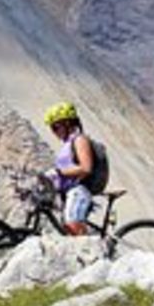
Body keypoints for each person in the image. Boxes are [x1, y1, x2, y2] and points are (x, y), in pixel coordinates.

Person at [43, 101, 94, 236]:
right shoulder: (69, 142)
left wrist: (59, 173)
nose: (53, 132)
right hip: (70, 192)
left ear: (67, 124)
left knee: (73, 229)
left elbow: (86, 167)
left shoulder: (79, 140)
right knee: (69, 230)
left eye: (55, 127)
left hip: (78, 191)